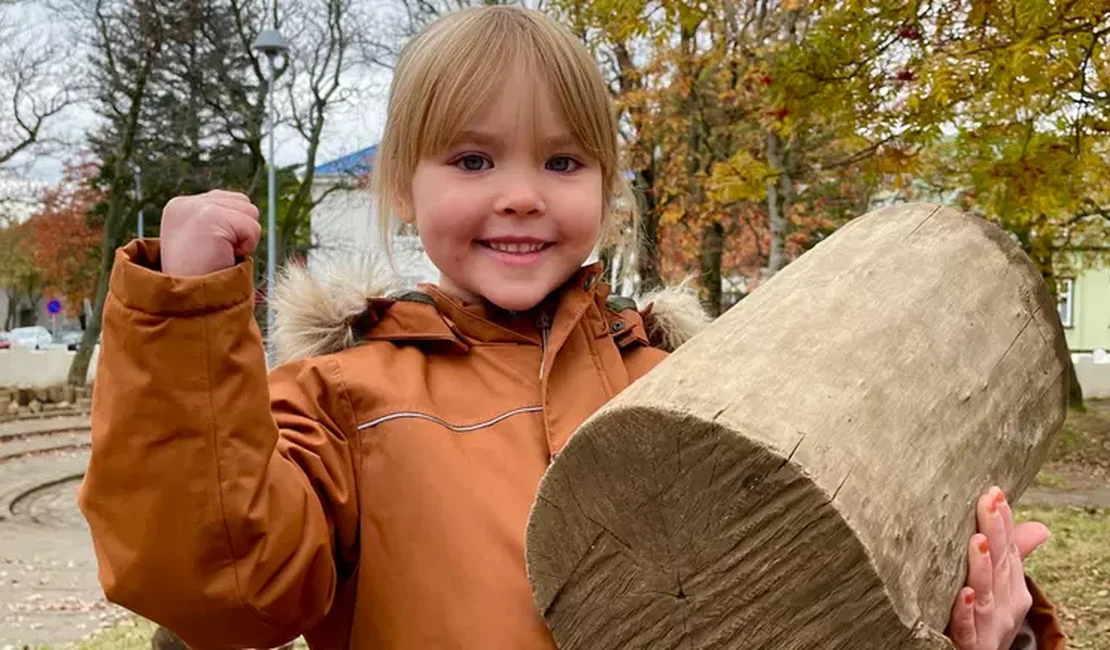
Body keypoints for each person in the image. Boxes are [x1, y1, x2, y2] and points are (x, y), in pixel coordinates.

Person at [77, 6, 1065, 650]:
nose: (519, 196)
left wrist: (984, 634)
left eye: (561, 162)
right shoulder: (343, 399)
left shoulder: (706, 380)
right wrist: (185, 320)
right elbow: (219, 583)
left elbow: (819, 596)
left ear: (607, 190)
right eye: (471, 160)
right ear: (402, 192)